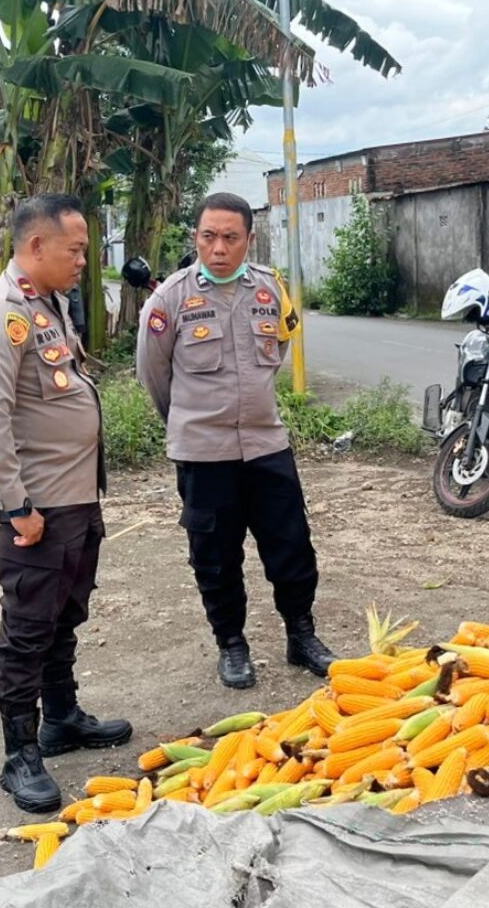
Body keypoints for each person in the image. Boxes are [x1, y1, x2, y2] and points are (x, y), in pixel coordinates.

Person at [0, 194, 132, 814]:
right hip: (39, 507)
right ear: (36, 246)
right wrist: (16, 507)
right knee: (27, 629)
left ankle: (61, 717)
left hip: (76, 498)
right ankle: (20, 754)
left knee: (65, 613)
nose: (84, 260)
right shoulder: (2, 313)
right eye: (76, 249)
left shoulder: (49, 303)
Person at [136, 192, 336, 689]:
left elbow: (280, 344)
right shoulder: (170, 299)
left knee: (292, 546)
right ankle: (232, 645)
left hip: (267, 445)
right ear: (196, 238)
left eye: (230, 237)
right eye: (209, 237)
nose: (219, 248)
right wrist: (188, 421)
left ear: (250, 238)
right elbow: (154, 375)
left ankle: (301, 635)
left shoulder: (270, 289)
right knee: (216, 556)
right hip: (204, 454)